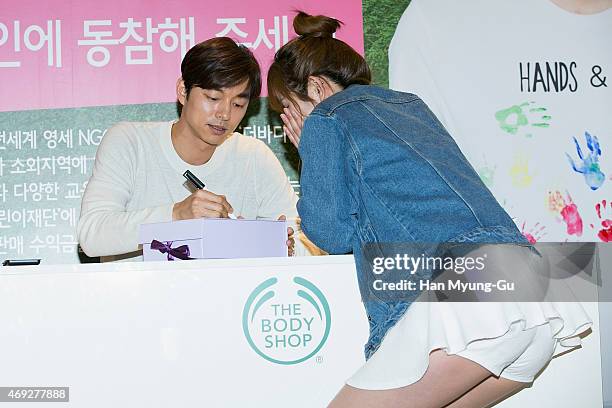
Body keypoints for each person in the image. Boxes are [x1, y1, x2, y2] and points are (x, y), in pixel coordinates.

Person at [267, 12, 592, 408]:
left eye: (288, 107)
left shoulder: (328, 116)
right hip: (528, 290)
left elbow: (330, 232)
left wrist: (311, 157)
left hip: (467, 300)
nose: (290, 121)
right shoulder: (409, 105)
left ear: (316, 88)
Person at [78, 37, 300, 262]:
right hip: (137, 295)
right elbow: (92, 235)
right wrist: (177, 215)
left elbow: (300, 238)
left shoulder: (254, 157)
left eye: (238, 104)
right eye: (213, 97)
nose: (224, 114)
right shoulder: (130, 142)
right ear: (183, 91)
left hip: (229, 295)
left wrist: (283, 247)